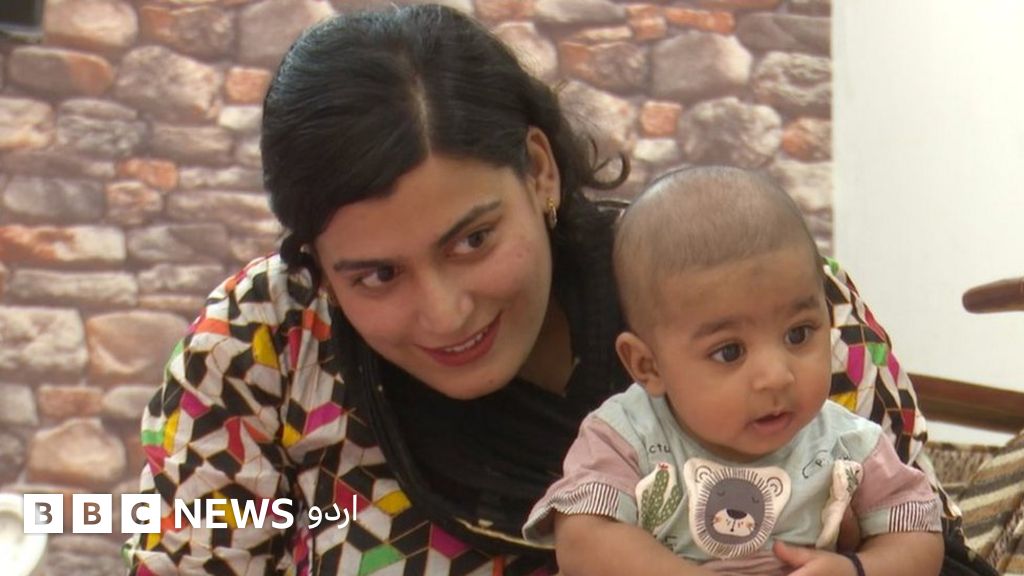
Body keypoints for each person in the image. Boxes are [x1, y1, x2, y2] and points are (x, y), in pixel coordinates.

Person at [123, 4, 993, 575]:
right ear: (319, 262)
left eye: (473, 240)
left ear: (539, 170)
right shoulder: (258, 352)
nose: (447, 312)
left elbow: (926, 542)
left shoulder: (767, 302)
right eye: (377, 275)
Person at [523, 166, 945, 575]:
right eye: (729, 352)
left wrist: (858, 568)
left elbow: (919, 532)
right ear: (647, 366)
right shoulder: (625, 437)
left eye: (798, 334)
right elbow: (582, 540)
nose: (777, 376)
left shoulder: (848, 443)